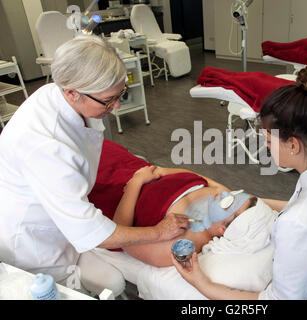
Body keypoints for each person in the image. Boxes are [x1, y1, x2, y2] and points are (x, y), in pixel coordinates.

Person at [0, 35, 189, 282]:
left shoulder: (62, 94)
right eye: (110, 100)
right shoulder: (46, 147)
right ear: (72, 93)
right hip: (36, 246)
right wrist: (158, 231)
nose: (118, 106)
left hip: (64, 216)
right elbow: (92, 231)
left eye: (121, 93)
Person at [172, 78, 307, 300]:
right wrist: (251, 201)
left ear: (293, 145)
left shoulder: (300, 223)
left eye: (269, 141)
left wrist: (200, 283)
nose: (265, 146)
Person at [108, 165, 257, 267]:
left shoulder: (182, 244)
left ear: (222, 230)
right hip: (139, 168)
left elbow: (122, 239)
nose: (225, 194)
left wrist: (136, 182)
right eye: (235, 194)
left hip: (114, 186)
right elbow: (200, 177)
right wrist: (162, 171)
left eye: (229, 201)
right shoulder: (222, 195)